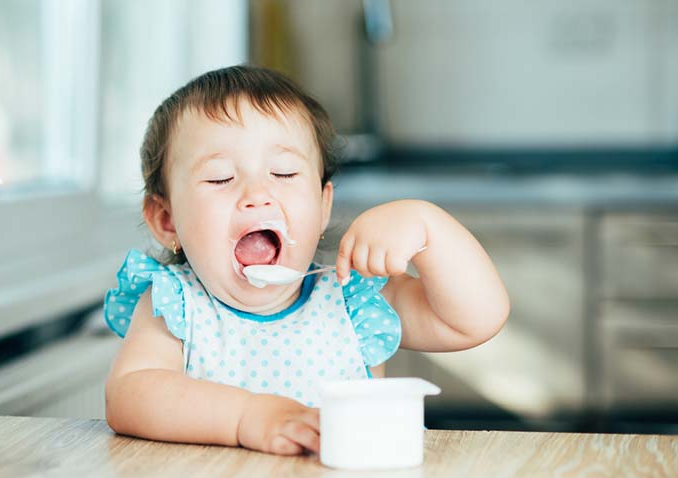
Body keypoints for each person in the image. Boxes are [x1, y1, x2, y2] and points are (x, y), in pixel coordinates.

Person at [103, 65, 509, 456]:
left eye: (283, 173)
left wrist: (429, 228)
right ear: (167, 220)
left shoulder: (352, 298)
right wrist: (248, 416)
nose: (257, 194)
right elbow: (131, 395)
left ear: (322, 204)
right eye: (220, 178)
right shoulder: (176, 305)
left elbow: (475, 319)